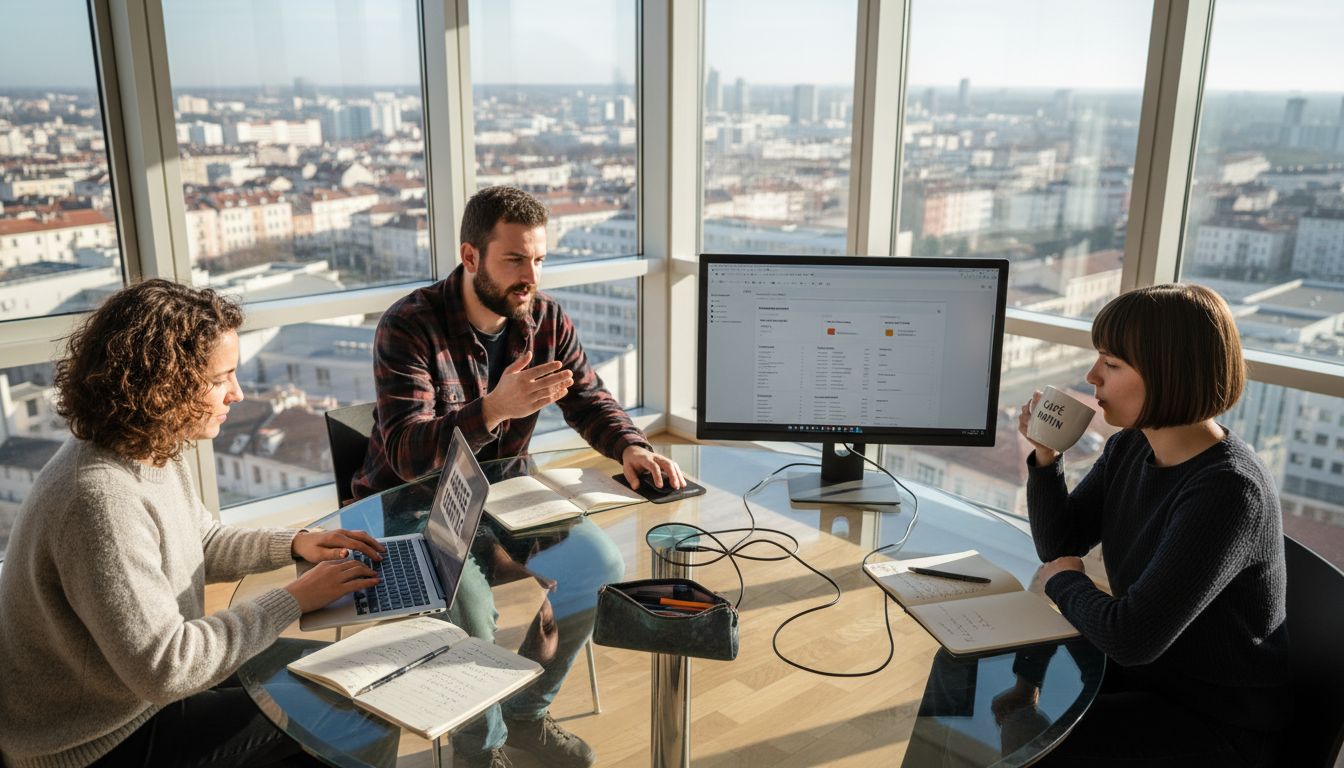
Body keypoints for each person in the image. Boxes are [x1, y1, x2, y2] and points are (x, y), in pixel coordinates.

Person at [351, 185, 685, 768]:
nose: (530, 277)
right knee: (470, 609)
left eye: (539, 259)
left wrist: (629, 445)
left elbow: (587, 398)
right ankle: (480, 750)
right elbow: (406, 453)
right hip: (417, 502)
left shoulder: (544, 318)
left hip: (507, 494)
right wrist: (492, 410)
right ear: (471, 256)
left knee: (599, 567)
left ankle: (527, 714)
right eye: (514, 260)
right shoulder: (409, 325)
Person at [0, 280, 387, 768]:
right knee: (350, 709)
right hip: (92, 739)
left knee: (343, 675)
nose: (237, 394)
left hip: (135, 694)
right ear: (165, 385)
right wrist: (294, 597)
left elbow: (198, 539)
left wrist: (296, 544)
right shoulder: (99, 500)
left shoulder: (146, 445)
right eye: (221, 378)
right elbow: (166, 667)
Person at [1016, 283, 1291, 767]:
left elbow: (1130, 637)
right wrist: (1046, 456)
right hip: (1148, 678)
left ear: (1169, 374)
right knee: (991, 691)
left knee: (1030, 745)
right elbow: (1060, 542)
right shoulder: (1131, 446)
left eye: (1112, 364)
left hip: (1215, 723)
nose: (1091, 376)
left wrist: (1063, 582)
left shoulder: (1229, 490)